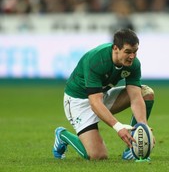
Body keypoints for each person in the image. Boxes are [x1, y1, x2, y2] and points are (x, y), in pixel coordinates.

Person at [52, 29, 155, 160]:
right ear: (116, 48)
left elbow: (135, 97)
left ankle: (131, 150)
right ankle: (62, 135)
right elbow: (94, 103)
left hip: (100, 96)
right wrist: (119, 127)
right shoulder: (97, 60)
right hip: (79, 102)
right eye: (128, 52)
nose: (132, 57)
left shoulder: (133, 64)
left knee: (146, 93)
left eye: (135, 52)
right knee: (98, 156)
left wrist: (143, 126)